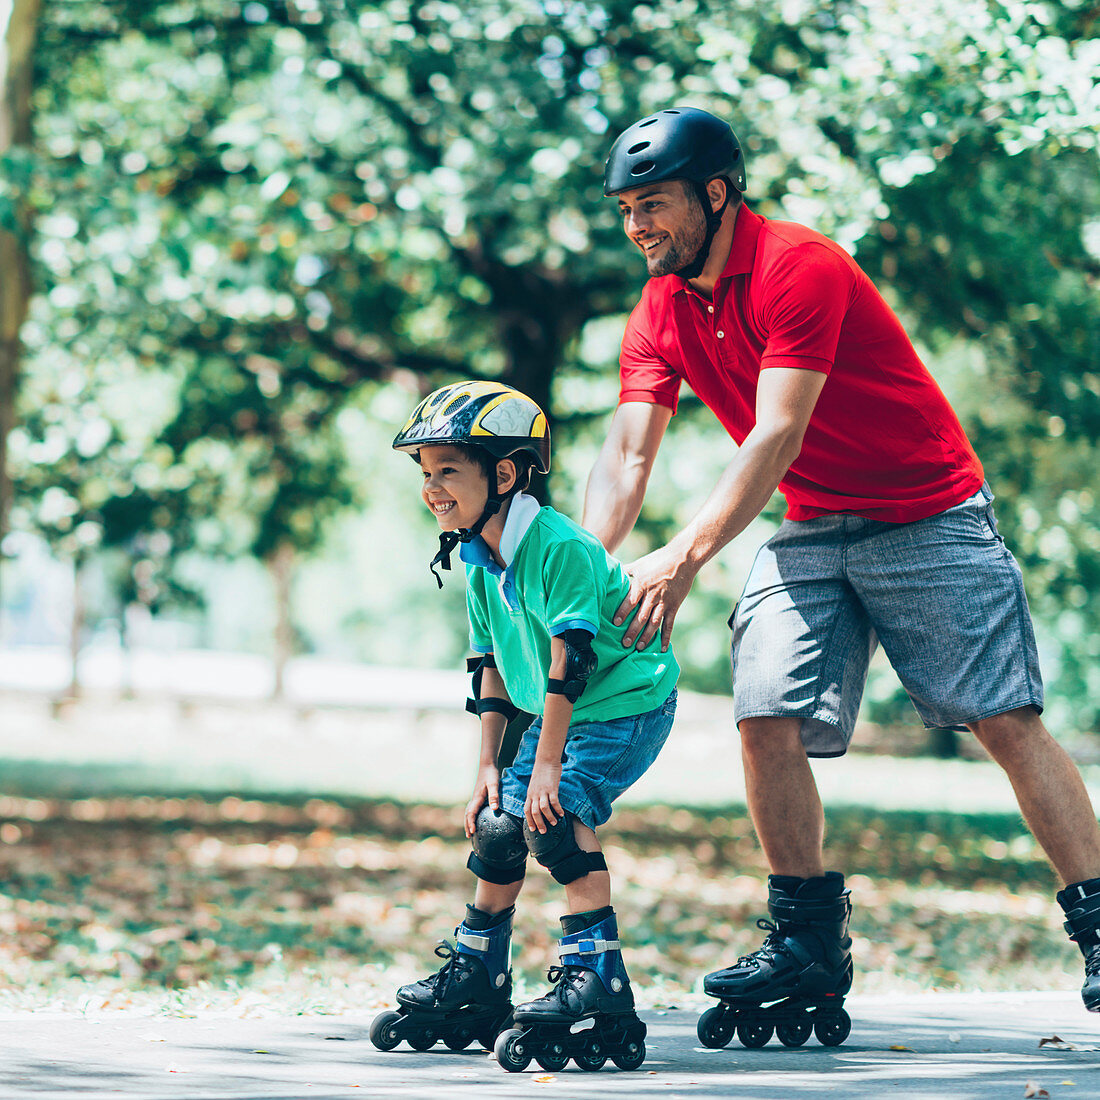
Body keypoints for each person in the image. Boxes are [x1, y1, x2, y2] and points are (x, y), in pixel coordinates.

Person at [584, 105, 1100, 1042]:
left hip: (926, 511)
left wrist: (686, 554)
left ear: (715, 191)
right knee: (763, 713)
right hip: (815, 523)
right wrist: (581, 572)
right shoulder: (661, 306)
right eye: (625, 210)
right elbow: (626, 457)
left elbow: (778, 430)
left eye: (653, 205)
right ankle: (807, 943)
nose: (637, 228)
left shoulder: (798, 267)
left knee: (1005, 722)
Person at [372, 380, 678, 1073]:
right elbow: (492, 670)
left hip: (625, 704)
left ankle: (598, 978)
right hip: (560, 711)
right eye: (426, 474)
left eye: (448, 469)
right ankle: (479, 976)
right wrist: (488, 768)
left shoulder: (557, 546)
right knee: (500, 825)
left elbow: (572, 661)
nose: (433, 489)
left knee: (553, 817)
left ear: (504, 473)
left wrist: (544, 768)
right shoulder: (479, 554)